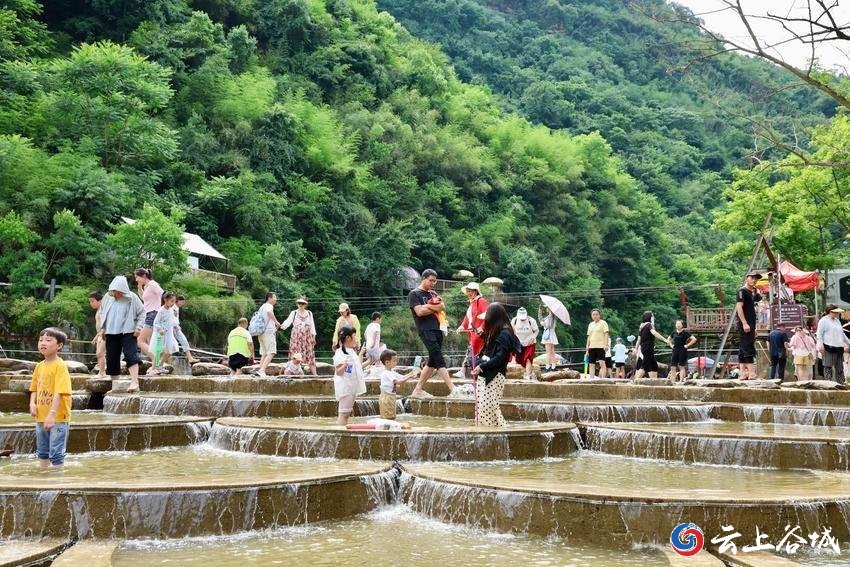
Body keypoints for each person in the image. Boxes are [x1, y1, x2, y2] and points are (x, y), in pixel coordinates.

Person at [29, 328, 72, 468]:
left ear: (59, 346)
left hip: (58, 417)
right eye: (41, 340)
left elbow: (60, 391)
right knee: (42, 451)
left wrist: (52, 414)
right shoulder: (39, 366)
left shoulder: (60, 366)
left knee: (56, 452)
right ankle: (44, 476)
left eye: (48, 340)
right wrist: (32, 403)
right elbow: (34, 387)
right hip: (41, 415)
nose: (43, 343)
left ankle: (57, 480)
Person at [472, 303, 520, 427]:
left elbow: (500, 358)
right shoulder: (498, 331)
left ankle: (495, 432)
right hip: (487, 373)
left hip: (495, 375)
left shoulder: (505, 334)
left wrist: (482, 366)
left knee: (489, 407)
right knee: (483, 407)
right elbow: (491, 350)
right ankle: (486, 431)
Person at [409, 270, 455, 398]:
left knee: (433, 362)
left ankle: (417, 390)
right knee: (438, 357)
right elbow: (419, 312)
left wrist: (427, 306)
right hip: (425, 330)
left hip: (438, 329)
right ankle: (452, 389)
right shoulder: (414, 294)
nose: (433, 283)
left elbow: (442, 306)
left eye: (435, 281)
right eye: (431, 280)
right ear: (423, 278)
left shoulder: (433, 293)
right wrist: (433, 307)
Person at [98, 276, 146, 393]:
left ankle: (134, 382)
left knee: (131, 355)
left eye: (117, 292)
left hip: (128, 332)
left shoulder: (132, 298)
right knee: (112, 358)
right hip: (111, 332)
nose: (115, 294)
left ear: (123, 290)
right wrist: (103, 329)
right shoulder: (107, 297)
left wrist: (139, 328)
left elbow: (142, 312)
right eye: (114, 291)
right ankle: (115, 386)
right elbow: (103, 312)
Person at [333, 327, 366, 425]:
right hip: (346, 387)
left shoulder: (351, 351)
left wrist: (361, 355)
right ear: (348, 338)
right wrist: (344, 365)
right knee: (344, 414)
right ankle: (339, 433)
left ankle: (341, 432)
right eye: (354, 336)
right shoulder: (340, 353)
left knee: (346, 414)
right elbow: (339, 372)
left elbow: (357, 367)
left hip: (352, 386)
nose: (356, 338)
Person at [457, 282, 488, 378]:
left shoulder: (481, 301)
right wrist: (462, 326)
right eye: (467, 291)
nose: (468, 293)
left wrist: (482, 327)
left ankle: (464, 370)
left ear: (476, 292)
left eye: (470, 291)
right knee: (472, 352)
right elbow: (468, 318)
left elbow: (487, 315)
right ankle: (468, 372)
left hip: (479, 333)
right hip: (473, 332)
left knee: (472, 351)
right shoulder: (472, 303)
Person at [735, 272, 763, 380]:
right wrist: (744, 323)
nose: (754, 280)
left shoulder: (751, 293)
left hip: (750, 324)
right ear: (747, 278)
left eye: (756, 279)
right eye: (752, 278)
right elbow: (739, 307)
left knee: (743, 348)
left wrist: (752, 327)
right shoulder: (742, 291)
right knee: (748, 347)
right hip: (745, 324)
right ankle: (751, 373)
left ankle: (743, 373)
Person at [279, 297, 317, 375]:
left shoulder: (309, 313)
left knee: (310, 354)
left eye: (302, 303)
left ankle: (315, 374)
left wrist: (314, 337)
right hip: (296, 336)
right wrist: (281, 326)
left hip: (307, 337)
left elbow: (312, 326)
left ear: (306, 304)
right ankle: (291, 372)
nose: (300, 305)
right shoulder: (294, 313)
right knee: (295, 354)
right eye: (299, 303)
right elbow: (288, 321)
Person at [378, 349, 418, 420]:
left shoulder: (391, 372)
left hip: (391, 396)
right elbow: (398, 381)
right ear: (387, 362)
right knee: (388, 415)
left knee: (392, 414)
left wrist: (411, 374)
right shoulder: (387, 373)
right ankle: (387, 429)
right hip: (386, 397)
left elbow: (402, 377)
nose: (396, 362)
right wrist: (410, 376)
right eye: (394, 361)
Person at [134, 268, 164, 360]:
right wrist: (139, 287)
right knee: (152, 342)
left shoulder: (152, 284)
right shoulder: (147, 286)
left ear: (143, 276)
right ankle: (157, 365)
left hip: (153, 314)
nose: (136, 280)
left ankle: (156, 361)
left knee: (140, 340)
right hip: (150, 315)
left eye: (137, 277)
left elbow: (163, 294)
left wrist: (165, 310)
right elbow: (144, 298)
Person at [817, 305, 850, 385]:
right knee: (828, 366)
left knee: (840, 368)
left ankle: (841, 383)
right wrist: (820, 346)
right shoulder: (823, 321)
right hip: (828, 347)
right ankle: (828, 384)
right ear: (830, 312)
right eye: (836, 312)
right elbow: (819, 334)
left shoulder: (837, 321)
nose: (837, 314)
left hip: (839, 347)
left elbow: (842, 334)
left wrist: (849, 342)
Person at [633, 311, 672, 380]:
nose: (653, 318)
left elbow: (639, 339)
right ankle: (636, 380)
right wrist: (665, 340)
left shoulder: (642, 326)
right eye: (653, 316)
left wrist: (636, 349)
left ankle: (654, 381)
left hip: (644, 348)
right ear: (650, 317)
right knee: (644, 364)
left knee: (653, 365)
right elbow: (654, 333)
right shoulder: (649, 325)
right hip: (648, 348)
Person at [148, 291, 179, 375]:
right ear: (165, 300)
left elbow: (171, 321)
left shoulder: (171, 310)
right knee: (158, 351)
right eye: (171, 301)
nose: (173, 303)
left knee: (169, 352)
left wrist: (176, 325)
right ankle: (154, 368)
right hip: (160, 334)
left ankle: (160, 366)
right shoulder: (161, 310)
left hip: (169, 334)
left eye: (174, 301)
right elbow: (155, 323)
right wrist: (160, 329)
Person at [256, 292, 281, 378]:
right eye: (274, 297)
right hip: (268, 331)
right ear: (269, 298)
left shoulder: (262, 307)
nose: (276, 299)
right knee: (271, 352)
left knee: (264, 352)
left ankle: (259, 369)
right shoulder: (269, 306)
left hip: (261, 332)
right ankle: (262, 370)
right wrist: (276, 322)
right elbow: (270, 312)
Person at [511, 307, 539, 380]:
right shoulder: (514, 321)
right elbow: (511, 331)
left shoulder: (531, 321)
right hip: (518, 343)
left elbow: (536, 331)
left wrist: (533, 338)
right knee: (519, 360)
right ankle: (529, 373)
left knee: (528, 359)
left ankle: (528, 375)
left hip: (529, 343)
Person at [172, 296, 199, 364]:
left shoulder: (177, 308)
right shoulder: (173, 307)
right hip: (171, 328)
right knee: (169, 344)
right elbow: (172, 318)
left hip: (176, 328)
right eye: (182, 302)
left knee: (184, 340)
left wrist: (177, 325)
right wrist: (176, 325)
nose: (183, 304)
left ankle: (190, 358)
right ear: (178, 300)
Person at [585, 309, 610, 379]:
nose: (595, 316)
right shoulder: (590, 324)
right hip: (592, 346)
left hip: (600, 346)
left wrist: (606, 344)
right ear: (591, 316)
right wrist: (587, 346)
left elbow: (606, 334)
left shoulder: (603, 323)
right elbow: (589, 336)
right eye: (593, 315)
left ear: (599, 315)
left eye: (596, 314)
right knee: (591, 364)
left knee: (602, 363)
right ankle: (592, 379)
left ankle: (602, 379)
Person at [88, 291, 106, 378]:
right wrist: (96, 337)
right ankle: (102, 372)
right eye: (90, 301)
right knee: (99, 354)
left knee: (100, 353)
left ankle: (102, 373)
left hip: (104, 334)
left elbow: (105, 324)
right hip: (100, 334)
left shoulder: (103, 310)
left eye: (92, 301)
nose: (91, 304)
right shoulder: (99, 310)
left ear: (99, 301)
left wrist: (99, 335)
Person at [539, 305, 558, 370]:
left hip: (549, 335)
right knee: (552, 351)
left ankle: (547, 366)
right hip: (550, 334)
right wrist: (540, 312)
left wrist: (543, 324)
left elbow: (548, 326)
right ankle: (553, 365)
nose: (546, 308)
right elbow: (541, 319)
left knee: (548, 352)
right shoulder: (549, 317)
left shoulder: (551, 317)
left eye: (547, 307)